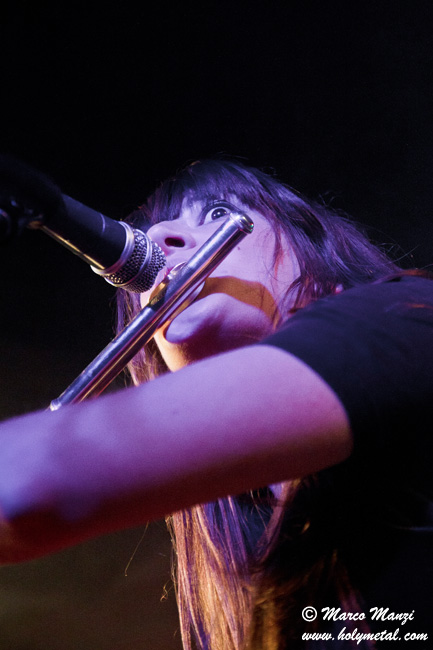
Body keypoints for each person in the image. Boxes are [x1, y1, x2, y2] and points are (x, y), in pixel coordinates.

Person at [0, 158, 432, 649]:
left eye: (216, 212)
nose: (159, 238)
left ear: (314, 254)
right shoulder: (236, 540)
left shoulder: (405, 319)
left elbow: (23, 483)